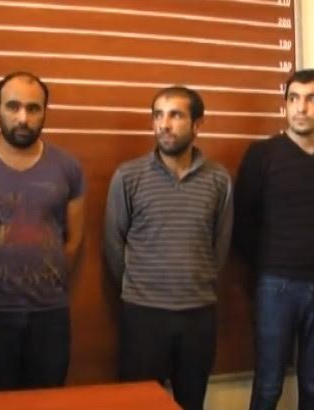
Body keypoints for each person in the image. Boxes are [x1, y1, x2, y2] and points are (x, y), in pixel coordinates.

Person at [0, 71, 85, 391]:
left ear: (45, 112)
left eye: (33, 108)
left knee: (47, 401)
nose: (23, 118)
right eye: (13, 106)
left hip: (49, 313)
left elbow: (74, 240)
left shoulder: (69, 167)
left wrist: (51, 281)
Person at [233, 69, 314, 410]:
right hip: (276, 285)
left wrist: (313, 252)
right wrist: (272, 263)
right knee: (268, 385)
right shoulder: (262, 154)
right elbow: (243, 222)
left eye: (312, 99)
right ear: (286, 104)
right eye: (294, 98)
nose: (301, 108)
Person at [104, 86, 233, 410]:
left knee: (191, 402)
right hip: (143, 315)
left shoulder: (218, 179)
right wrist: (140, 286)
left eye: (175, 115)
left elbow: (220, 245)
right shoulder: (128, 176)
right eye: (158, 115)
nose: (164, 124)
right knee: (138, 404)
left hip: (198, 315)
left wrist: (195, 280)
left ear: (197, 124)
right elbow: (114, 242)